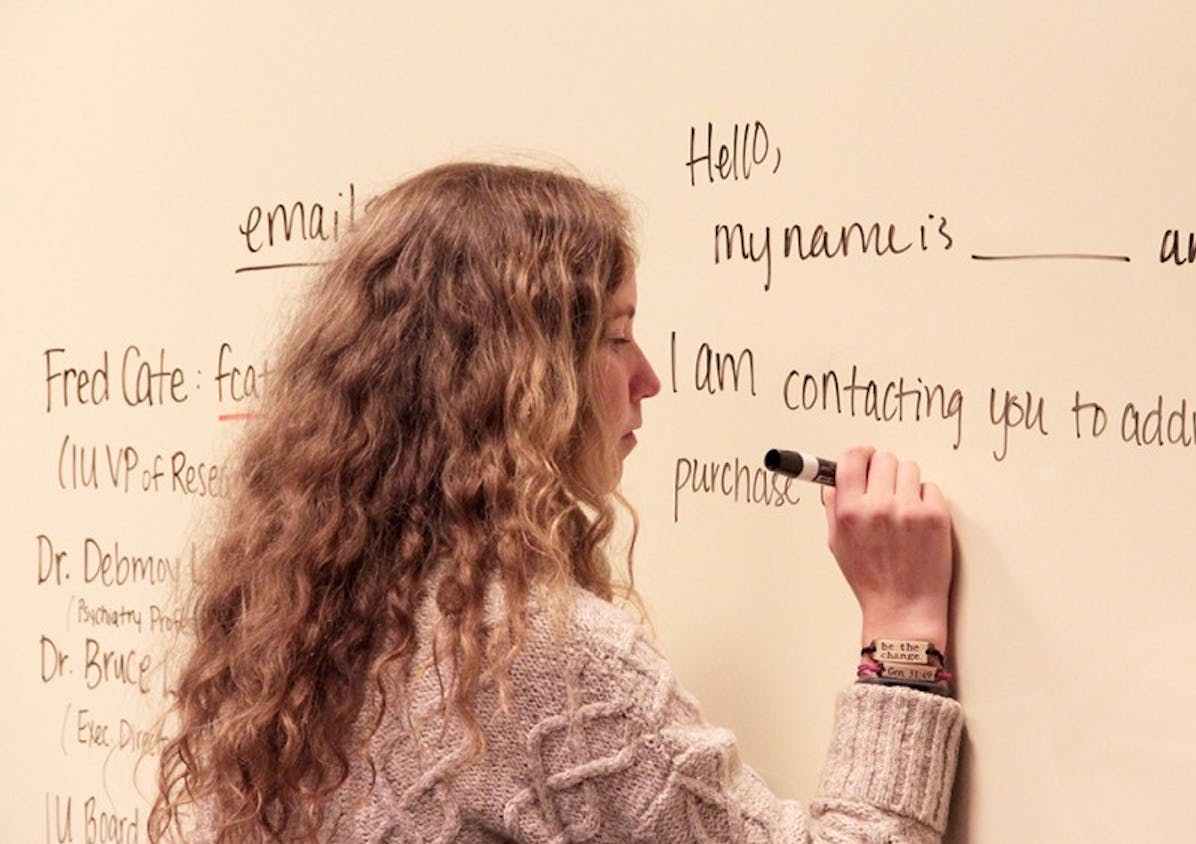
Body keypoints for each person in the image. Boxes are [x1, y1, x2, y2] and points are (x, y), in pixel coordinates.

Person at [150, 162, 962, 843]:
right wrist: (902, 631)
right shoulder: (534, 659)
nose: (647, 377)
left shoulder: (311, 619)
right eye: (615, 336)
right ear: (517, 383)